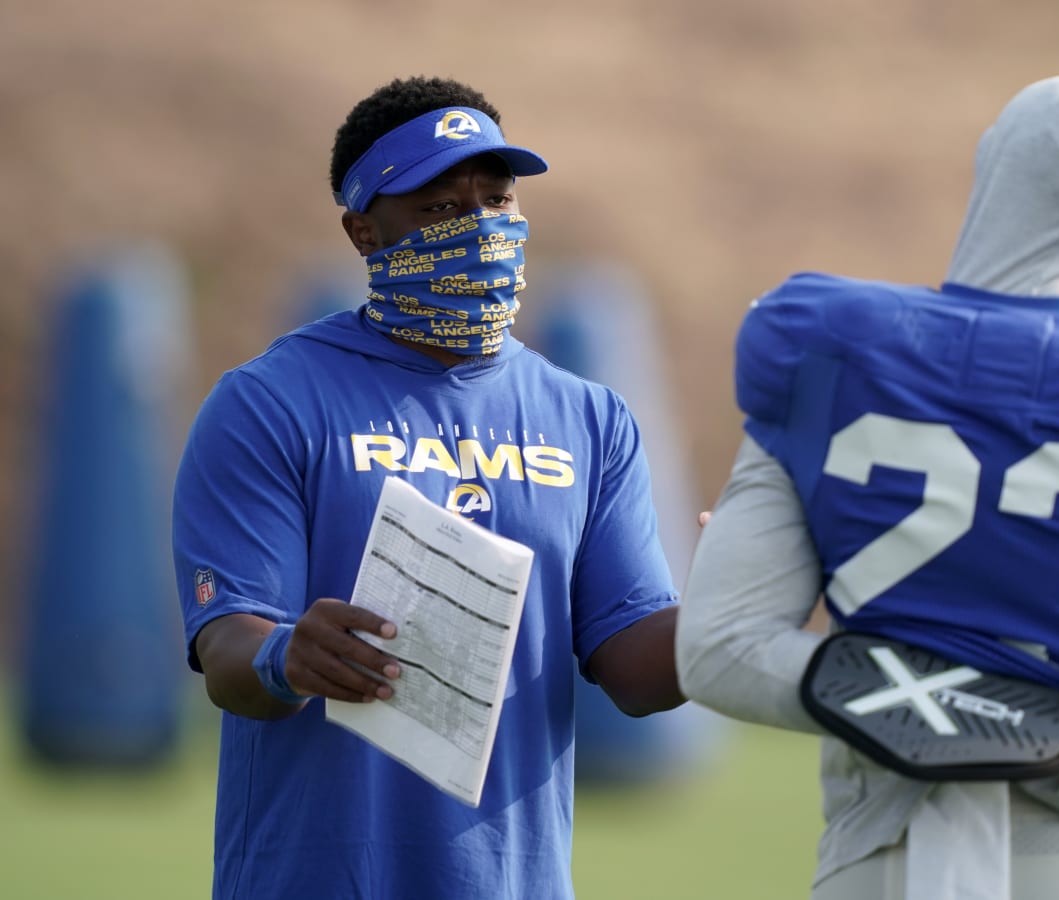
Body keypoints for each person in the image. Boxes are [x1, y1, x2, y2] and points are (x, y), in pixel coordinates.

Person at [676, 71, 1059, 900]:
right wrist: (1038, 702)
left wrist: (924, 688)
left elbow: (719, 653)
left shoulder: (827, 350)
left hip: (884, 858)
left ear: (997, 173)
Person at [172, 75, 684, 900]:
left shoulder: (590, 417)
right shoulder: (267, 403)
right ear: (364, 231)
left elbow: (638, 671)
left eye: (497, 199)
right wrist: (285, 655)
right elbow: (228, 651)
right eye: (442, 209)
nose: (481, 229)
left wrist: (740, 605)